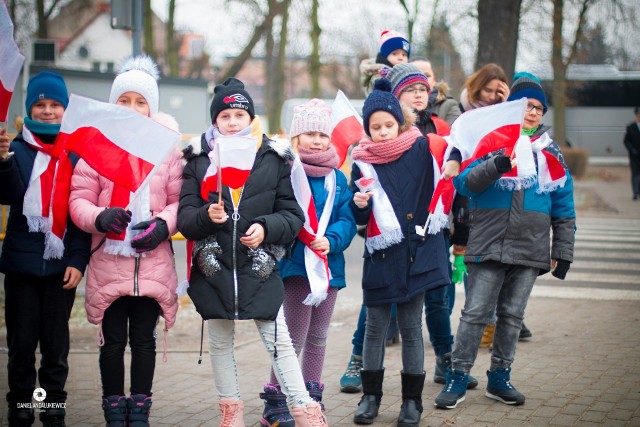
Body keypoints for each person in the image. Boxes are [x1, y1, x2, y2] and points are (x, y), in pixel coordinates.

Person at [177, 77, 328, 427]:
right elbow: (185, 218)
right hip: (213, 269)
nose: (232, 122)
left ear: (250, 119)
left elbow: (292, 215)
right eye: (225, 115)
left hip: (259, 268)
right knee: (220, 343)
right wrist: (205, 216)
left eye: (239, 115)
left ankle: (305, 411)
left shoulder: (272, 158)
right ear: (215, 120)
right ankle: (231, 413)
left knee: (280, 342)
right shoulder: (198, 159)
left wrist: (265, 227)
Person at [435, 72, 576, 410]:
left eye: (539, 109)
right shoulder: (492, 140)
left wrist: (563, 250)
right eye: (526, 105)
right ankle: (457, 376)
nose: (532, 113)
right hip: (488, 243)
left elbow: (564, 205)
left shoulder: (550, 152)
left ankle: (499, 378)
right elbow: (466, 185)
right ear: (513, 107)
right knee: (475, 314)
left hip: (530, 247)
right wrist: (497, 164)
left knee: (512, 315)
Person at [69, 56, 182, 426]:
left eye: (140, 101)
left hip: (152, 262)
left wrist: (164, 225)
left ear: (152, 107)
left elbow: (181, 200)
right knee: (113, 341)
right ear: (112, 104)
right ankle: (114, 409)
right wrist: (99, 217)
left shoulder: (167, 148)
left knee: (145, 342)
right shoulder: (97, 144)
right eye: (124, 100)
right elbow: (78, 199)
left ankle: (140, 408)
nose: (132, 108)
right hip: (109, 261)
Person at [350, 78, 452, 426]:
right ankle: (370, 397)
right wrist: (359, 205)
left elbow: (451, 158)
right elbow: (360, 219)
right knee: (375, 328)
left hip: (417, 251)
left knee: (411, 327)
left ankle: (412, 403)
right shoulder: (361, 162)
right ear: (367, 129)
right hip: (381, 256)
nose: (382, 132)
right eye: (374, 127)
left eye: (388, 125)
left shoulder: (422, 148)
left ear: (400, 123)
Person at [0, 71, 91, 427]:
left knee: (55, 351)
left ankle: (54, 412)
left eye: (55, 104)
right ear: (30, 110)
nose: (49, 111)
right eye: (41, 105)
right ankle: (20, 411)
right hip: (22, 270)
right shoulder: (17, 150)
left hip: (60, 270)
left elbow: (80, 214)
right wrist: (4, 162)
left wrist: (78, 261)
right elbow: (8, 195)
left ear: (65, 109)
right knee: (21, 349)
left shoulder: (74, 153)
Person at [259, 99, 357, 427]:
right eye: (309, 133)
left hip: (330, 267)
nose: (316, 140)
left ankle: (311, 397)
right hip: (297, 267)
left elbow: (345, 217)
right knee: (294, 337)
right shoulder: (287, 171)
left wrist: (333, 239)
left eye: (322, 134)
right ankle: (276, 398)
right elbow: (282, 212)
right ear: (297, 137)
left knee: (318, 337)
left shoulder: (338, 178)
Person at [385, 63, 481, 390]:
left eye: (423, 89)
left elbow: (459, 180)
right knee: (384, 300)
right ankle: (359, 360)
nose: (419, 94)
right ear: (397, 96)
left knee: (439, 300)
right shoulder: (386, 128)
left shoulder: (442, 128)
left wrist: (461, 234)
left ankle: (445, 361)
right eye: (411, 89)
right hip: (396, 232)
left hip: (436, 227)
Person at [457, 62, 512, 348]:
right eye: (487, 90)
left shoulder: (505, 114)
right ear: (477, 87)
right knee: (472, 261)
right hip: (464, 192)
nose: (491, 95)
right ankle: (479, 320)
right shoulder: (462, 110)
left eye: (497, 91)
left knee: (496, 262)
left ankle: (491, 323)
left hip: (494, 194)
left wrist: (505, 106)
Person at [409, 57, 461, 126]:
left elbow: (453, 134)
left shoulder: (448, 106)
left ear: (434, 80)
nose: (421, 79)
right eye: (415, 75)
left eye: (426, 75)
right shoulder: (396, 105)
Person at [359, 30, 411, 96]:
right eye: (395, 54)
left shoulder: (407, 75)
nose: (401, 58)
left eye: (404, 55)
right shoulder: (379, 76)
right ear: (384, 56)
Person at [623, 106, 640, 200]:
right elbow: (626, 141)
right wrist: (631, 149)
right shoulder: (631, 127)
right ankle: (635, 192)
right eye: (638, 115)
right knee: (635, 174)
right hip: (634, 155)